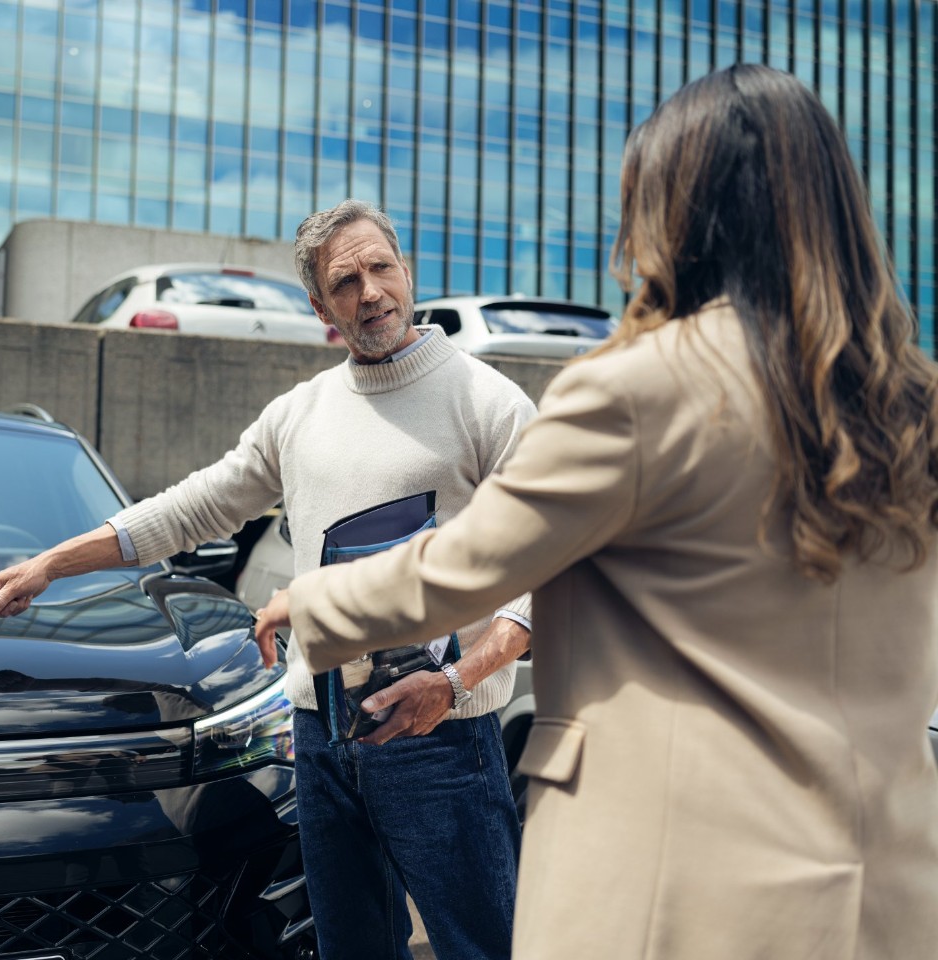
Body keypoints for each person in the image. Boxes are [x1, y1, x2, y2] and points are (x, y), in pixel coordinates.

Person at [256, 65, 938, 960]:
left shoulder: (637, 392)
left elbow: (467, 565)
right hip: (886, 888)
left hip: (687, 884)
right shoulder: (912, 404)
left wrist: (309, 602)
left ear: (676, 213)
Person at [0, 199, 538, 960]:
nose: (370, 292)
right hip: (320, 735)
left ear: (407, 272)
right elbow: (191, 508)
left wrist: (457, 683)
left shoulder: (488, 402)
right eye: (345, 282)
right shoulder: (299, 414)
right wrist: (51, 563)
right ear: (320, 308)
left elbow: (546, 567)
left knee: (482, 946)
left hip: (442, 734)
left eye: (380, 268)